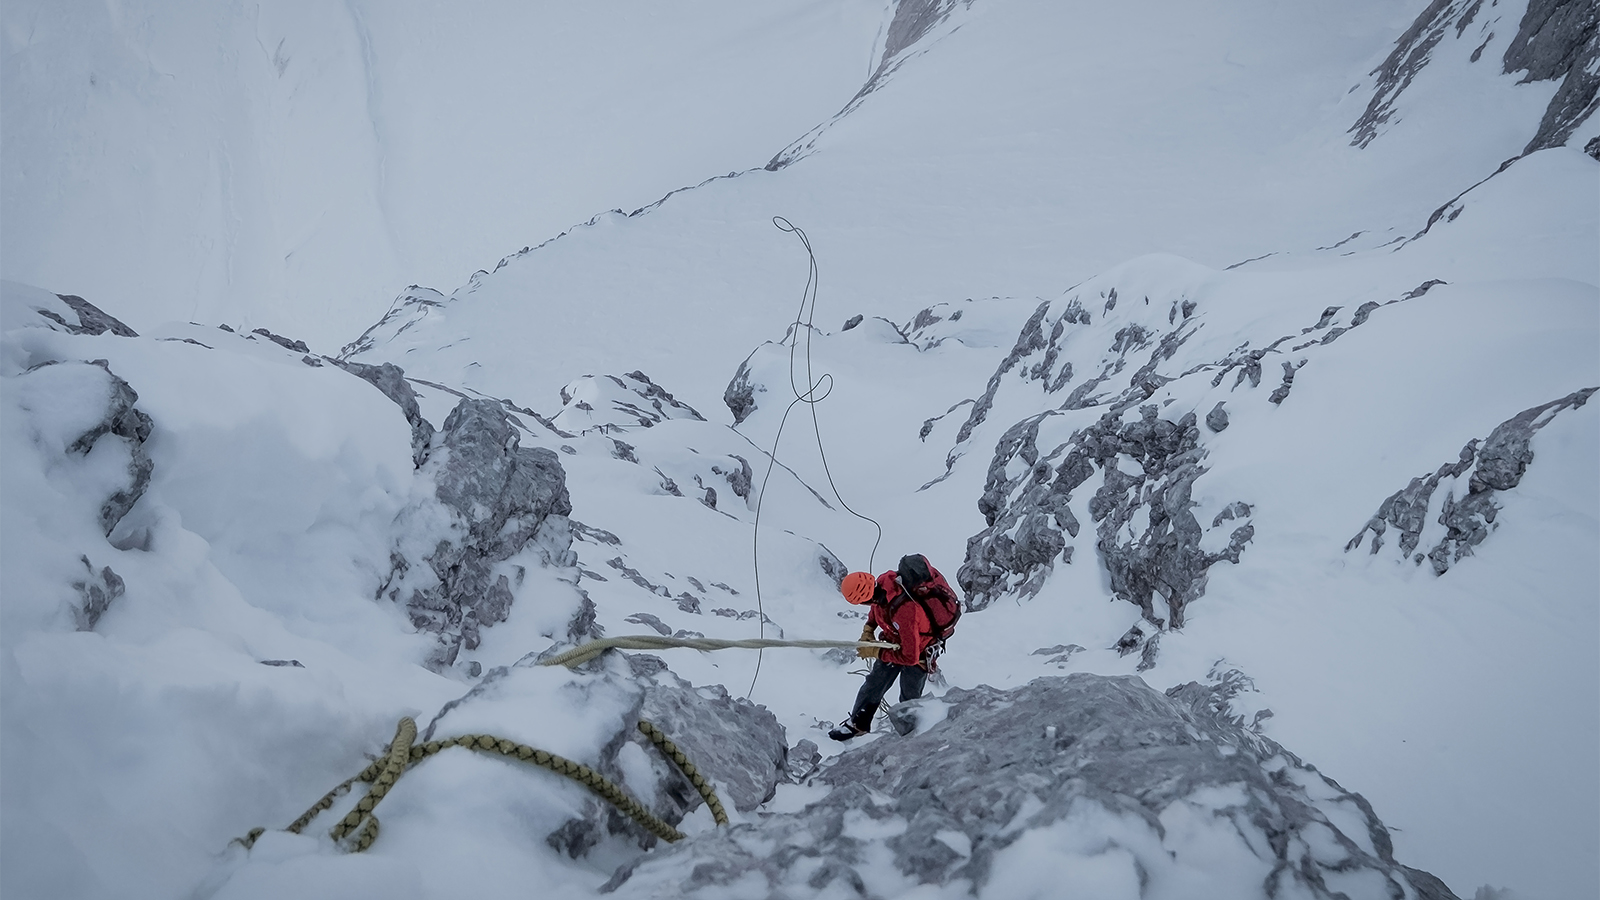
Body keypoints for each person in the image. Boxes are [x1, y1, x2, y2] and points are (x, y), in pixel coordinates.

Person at [829, 553, 961, 741]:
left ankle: (909, 734)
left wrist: (876, 651)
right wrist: (869, 628)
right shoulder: (884, 583)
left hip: (921, 650)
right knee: (874, 683)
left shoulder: (905, 611)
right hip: (895, 641)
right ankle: (858, 724)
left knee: (909, 694)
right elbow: (877, 608)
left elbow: (910, 657)